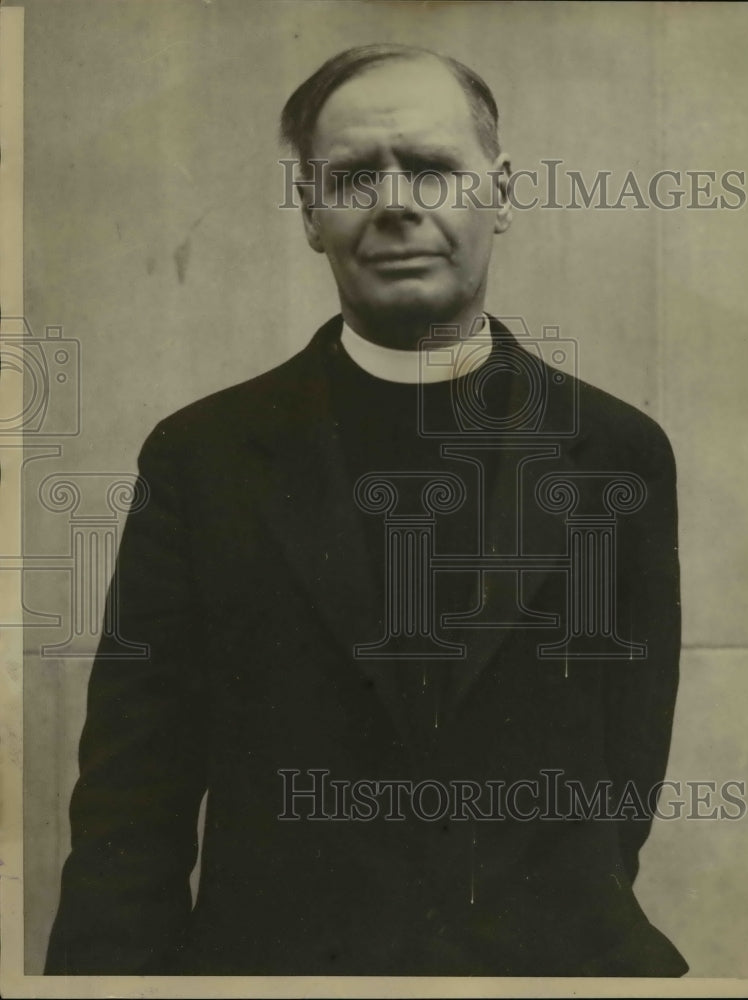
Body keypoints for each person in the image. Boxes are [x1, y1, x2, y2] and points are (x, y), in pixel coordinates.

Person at [45, 44, 688, 977]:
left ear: (500, 193)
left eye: (431, 169)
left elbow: (626, 775)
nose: (395, 203)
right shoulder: (201, 458)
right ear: (309, 212)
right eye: (351, 178)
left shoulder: (619, 454)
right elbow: (130, 806)